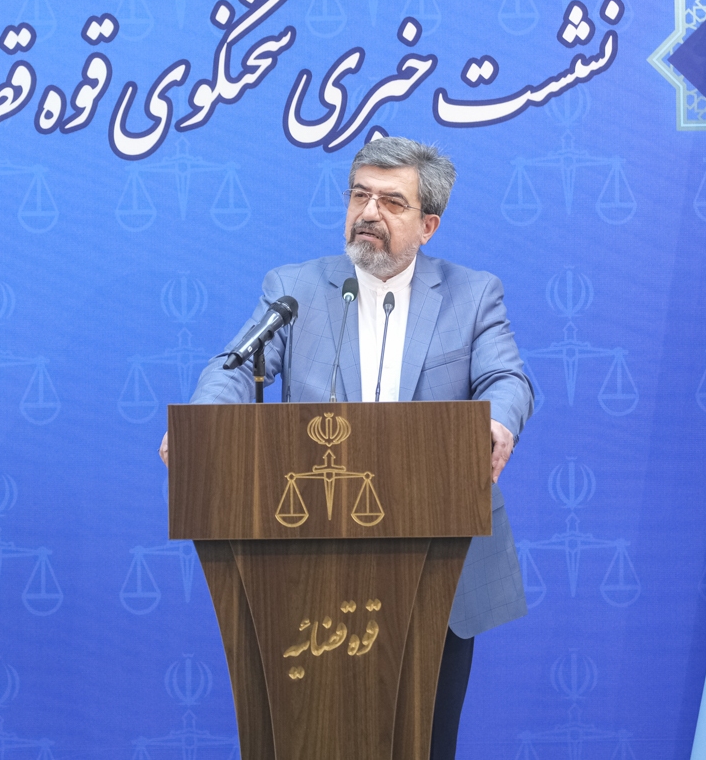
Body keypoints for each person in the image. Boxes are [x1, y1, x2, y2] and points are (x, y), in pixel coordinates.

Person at [159, 135, 533, 760]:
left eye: (392, 202)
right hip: (304, 563)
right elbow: (235, 367)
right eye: (360, 195)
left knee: (426, 742)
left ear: (428, 225)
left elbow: (506, 379)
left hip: (437, 563)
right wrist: (204, 424)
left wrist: (496, 423)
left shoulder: (473, 294)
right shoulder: (295, 288)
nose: (369, 212)